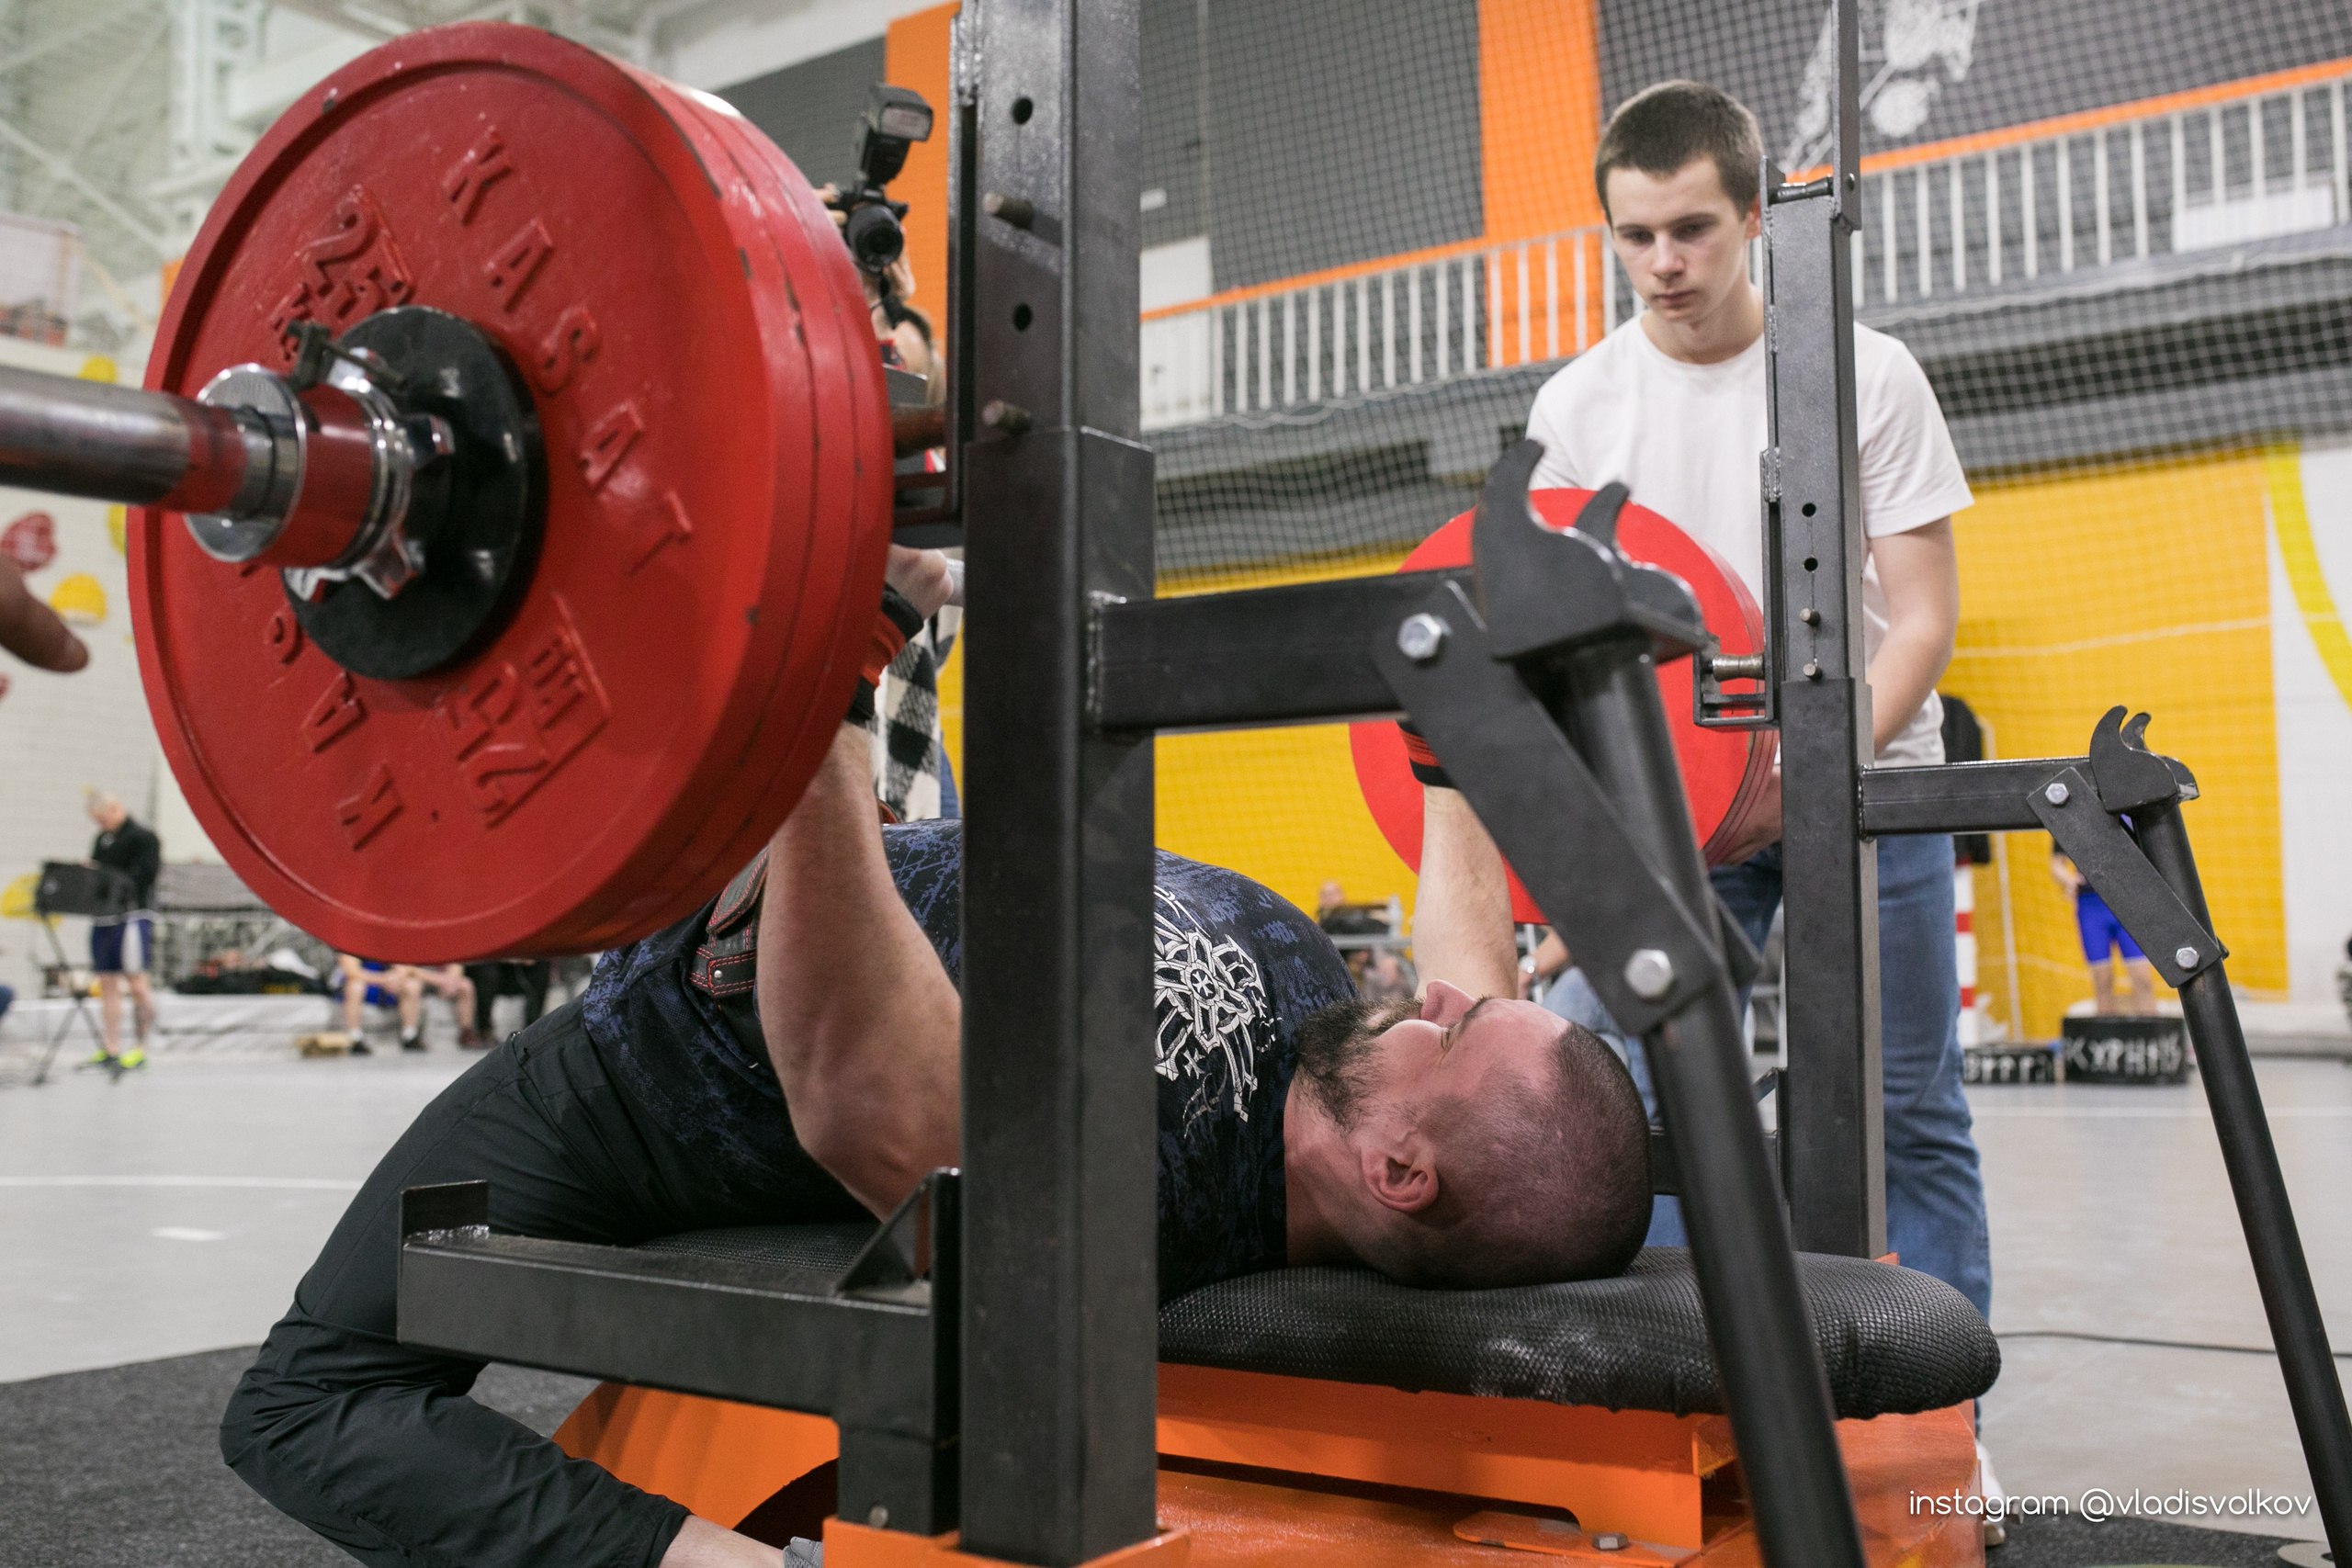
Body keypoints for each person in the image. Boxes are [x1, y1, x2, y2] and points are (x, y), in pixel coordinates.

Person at [220, 547, 1655, 1568]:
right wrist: (1466, 731)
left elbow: (856, 1087)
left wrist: (827, 681)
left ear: (1396, 1172)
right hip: (865, 872)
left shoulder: (1124, 1205)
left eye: (1453, 1029)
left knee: (306, 1405)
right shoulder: (1344, 1055)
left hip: (638, 1073)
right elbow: (1483, 1010)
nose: (1447, 999)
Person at [1519, 80, 1989, 1321]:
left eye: (1692, 230)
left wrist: (1803, 775)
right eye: (1635, 236)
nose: (1662, 263)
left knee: (1906, 1108)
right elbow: (1562, 649)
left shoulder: (1867, 375)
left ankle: (1945, 1435)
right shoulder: (1577, 409)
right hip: (1683, 810)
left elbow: (1924, 621)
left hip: (1872, 786)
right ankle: (1695, 1392)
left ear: (1755, 222)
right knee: (1650, 1105)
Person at [85, 792, 162, 1071]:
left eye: (104, 819)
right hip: (104, 918)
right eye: (97, 821)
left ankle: (140, 1047)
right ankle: (111, 1047)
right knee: (107, 982)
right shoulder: (103, 839)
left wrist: (107, 876)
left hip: (132, 916)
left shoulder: (144, 838)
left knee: (137, 983)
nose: (102, 825)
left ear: (116, 809)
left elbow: (143, 877)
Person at [2052, 849, 2156, 1015]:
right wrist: (2069, 880)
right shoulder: (2073, 821)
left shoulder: (2129, 821)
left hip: (2126, 902)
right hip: (2091, 907)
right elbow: (2056, 863)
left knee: (2143, 980)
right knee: (2102, 981)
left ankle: (2151, 1038)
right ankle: (2107, 1038)